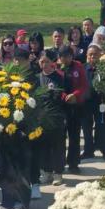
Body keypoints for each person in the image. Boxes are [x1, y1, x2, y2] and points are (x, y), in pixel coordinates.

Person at [35, 49, 68, 186]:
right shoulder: (36, 78)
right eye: (42, 61)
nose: (44, 64)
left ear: (52, 62)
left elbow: (59, 96)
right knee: (43, 147)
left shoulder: (59, 77)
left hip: (56, 118)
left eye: (47, 61)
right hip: (41, 119)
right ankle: (46, 172)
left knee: (57, 147)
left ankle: (58, 173)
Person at [58, 44, 90, 171]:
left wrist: (75, 95)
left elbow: (84, 85)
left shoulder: (78, 66)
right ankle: (59, 165)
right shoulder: (56, 67)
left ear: (72, 56)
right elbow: (54, 86)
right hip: (61, 106)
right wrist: (64, 96)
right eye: (63, 56)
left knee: (74, 136)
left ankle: (73, 163)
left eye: (68, 56)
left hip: (75, 105)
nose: (66, 59)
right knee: (60, 137)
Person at [81, 44, 105, 161]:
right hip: (86, 103)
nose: (92, 56)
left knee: (102, 127)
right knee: (86, 128)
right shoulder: (83, 68)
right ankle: (88, 151)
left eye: (95, 54)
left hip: (100, 103)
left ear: (100, 55)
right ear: (87, 56)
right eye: (90, 54)